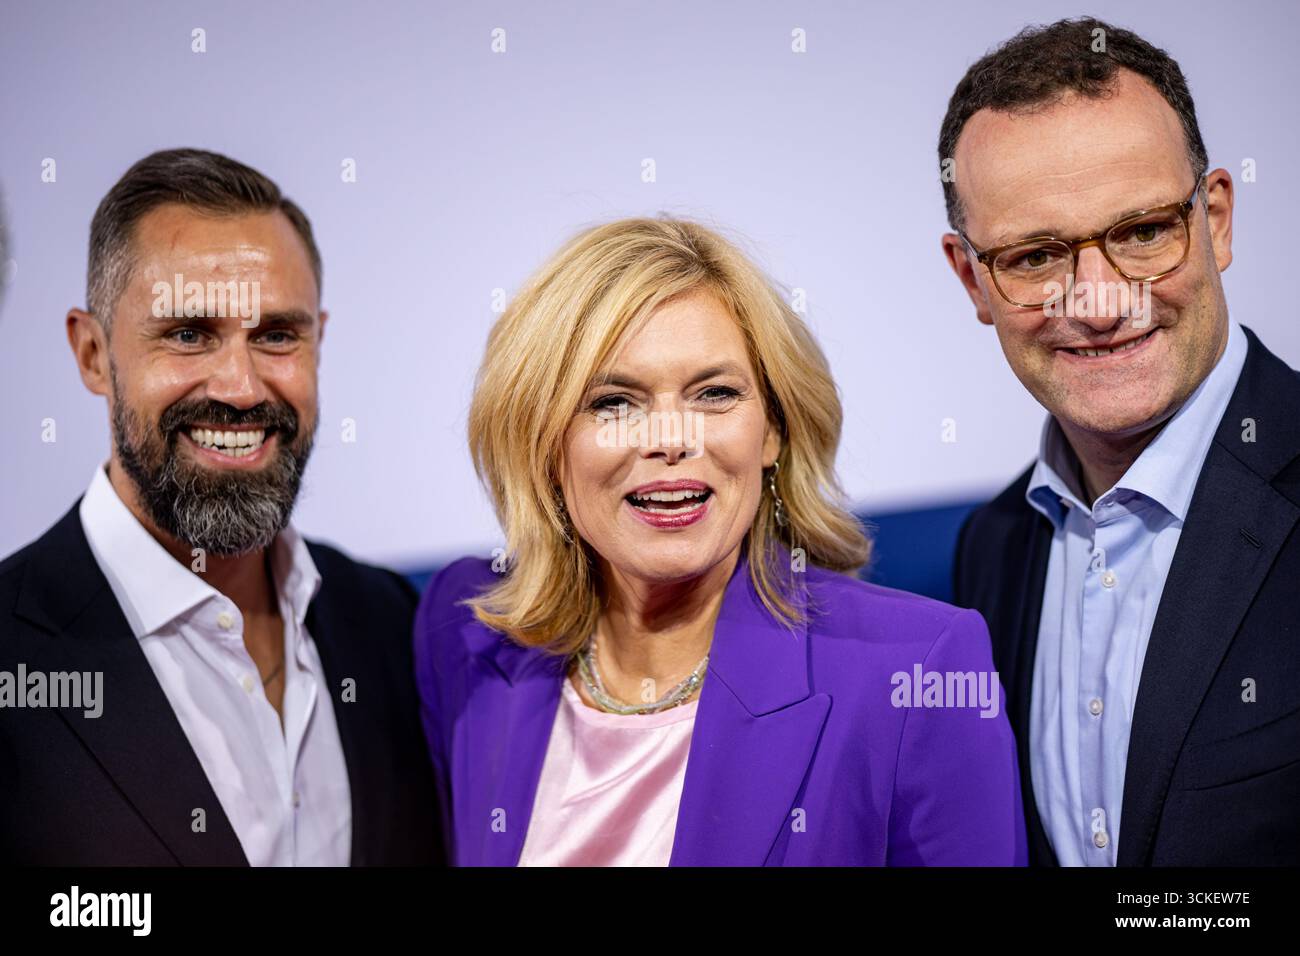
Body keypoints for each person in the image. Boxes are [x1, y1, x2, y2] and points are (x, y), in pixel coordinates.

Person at [416, 216, 1026, 866]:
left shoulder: (918, 668)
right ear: (542, 442)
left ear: (772, 432)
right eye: (615, 402)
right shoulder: (463, 636)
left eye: (714, 393)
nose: (671, 439)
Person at [0, 148, 440, 865]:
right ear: (91, 354)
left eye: (275, 336)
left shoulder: (393, 625)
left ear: (318, 343)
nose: (240, 387)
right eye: (188, 334)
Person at [941, 18, 1300, 865]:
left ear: (1214, 220)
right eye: (1035, 255)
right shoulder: (990, 551)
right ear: (973, 280)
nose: (1099, 302)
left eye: (1142, 233)